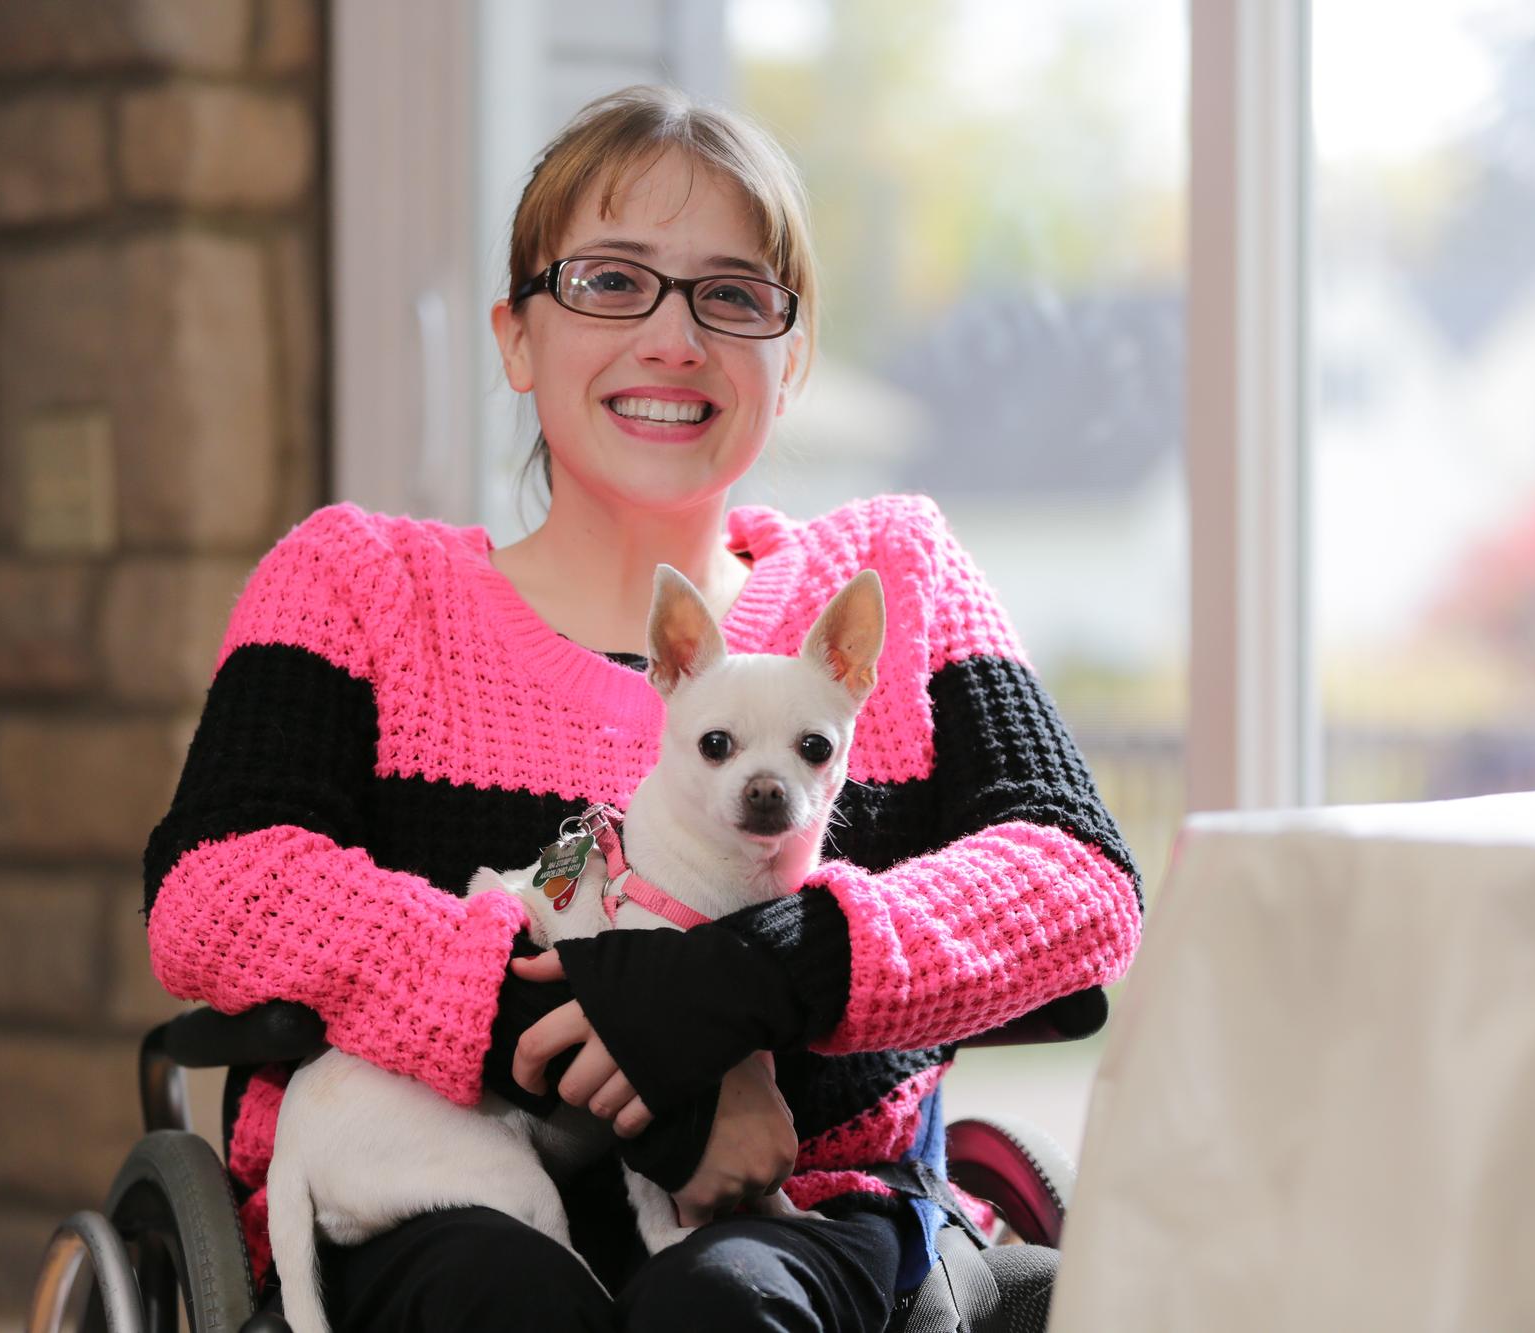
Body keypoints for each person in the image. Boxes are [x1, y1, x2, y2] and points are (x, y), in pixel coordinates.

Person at [143, 84, 1142, 1333]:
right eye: (610, 282)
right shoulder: (359, 585)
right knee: (500, 1300)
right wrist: (583, 1027)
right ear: (514, 337)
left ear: (794, 358)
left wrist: (757, 976)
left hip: (808, 1213)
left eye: (732, 295)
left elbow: (1080, 882)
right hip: (443, 1190)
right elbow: (221, 889)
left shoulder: (894, 572)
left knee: (718, 1310)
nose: (674, 340)